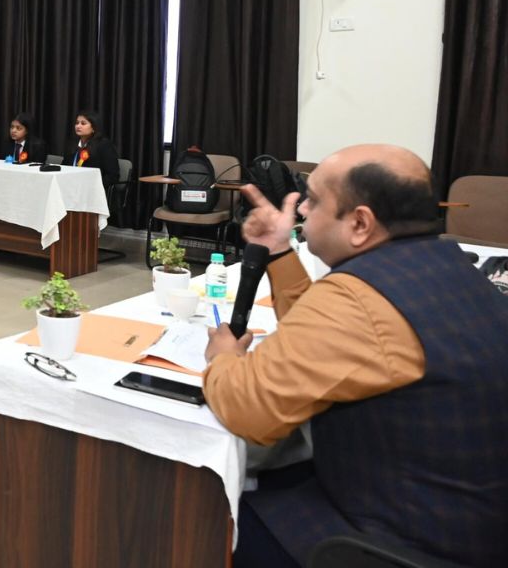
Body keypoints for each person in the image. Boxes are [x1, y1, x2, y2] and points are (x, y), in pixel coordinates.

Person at [203, 144, 508, 568]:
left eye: (313, 200)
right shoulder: (448, 266)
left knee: (201, 511)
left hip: (400, 541)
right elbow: (333, 336)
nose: (302, 209)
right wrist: (279, 248)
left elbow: (248, 411)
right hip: (470, 518)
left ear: (360, 223)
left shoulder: (358, 299)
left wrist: (221, 358)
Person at [69, 109, 119, 188]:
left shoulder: (103, 145)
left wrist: (92, 186)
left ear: (93, 128)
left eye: (83, 123)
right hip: (71, 186)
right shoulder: (73, 144)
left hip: (94, 189)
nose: (78, 126)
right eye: (77, 123)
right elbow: (64, 168)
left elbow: (112, 176)